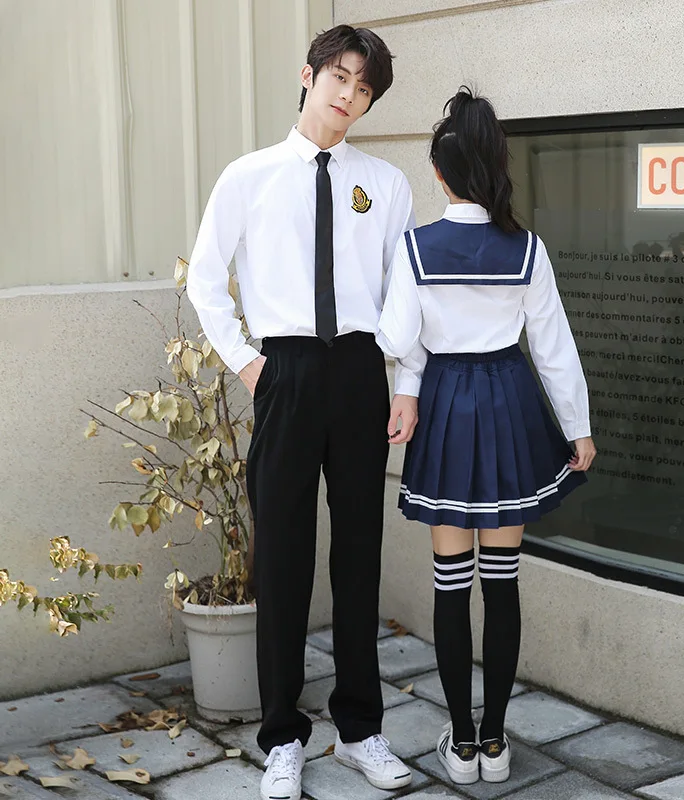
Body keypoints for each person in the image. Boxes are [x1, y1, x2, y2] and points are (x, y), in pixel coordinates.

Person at [186, 25, 415, 800]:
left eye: (364, 87)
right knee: (282, 558)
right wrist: (250, 363)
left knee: (358, 553)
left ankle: (361, 729)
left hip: (358, 371)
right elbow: (206, 282)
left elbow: (404, 298)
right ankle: (282, 735)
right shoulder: (248, 177)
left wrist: (405, 382)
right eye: (339, 78)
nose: (349, 95)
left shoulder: (383, 184)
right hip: (281, 370)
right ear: (309, 75)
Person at [377, 87, 596, 786]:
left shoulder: (416, 248)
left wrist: (400, 371)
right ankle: (498, 744)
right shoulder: (525, 247)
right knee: (501, 582)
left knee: (450, 584)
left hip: (445, 408)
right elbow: (554, 348)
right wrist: (580, 429)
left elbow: (398, 341)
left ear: (439, 175)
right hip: (508, 405)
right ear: (493, 168)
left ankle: (463, 743)